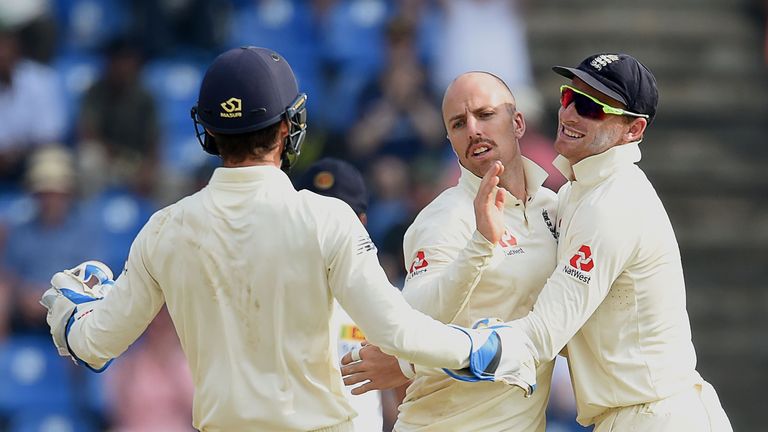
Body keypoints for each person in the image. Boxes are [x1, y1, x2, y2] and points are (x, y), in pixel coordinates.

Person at [37, 46, 523, 431]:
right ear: (289, 127)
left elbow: (93, 345)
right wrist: (485, 350)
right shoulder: (327, 218)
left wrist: (74, 307)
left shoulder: (164, 228)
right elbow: (400, 335)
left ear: (207, 133)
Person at [345, 54, 734, 432]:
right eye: (569, 98)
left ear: (518, 123)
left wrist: (412, 361)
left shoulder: (594, 205)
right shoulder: (462, 215)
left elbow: (543, 334)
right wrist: (413, 348)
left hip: (653, 415)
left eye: (591, 107)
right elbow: (411, 321)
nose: (570, 114)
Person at [342, 71, 560, 431]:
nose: (473, 129)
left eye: (485, 114)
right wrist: (480, 244)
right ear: (450, 139)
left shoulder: (552, 209)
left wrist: (405, 365)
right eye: (459, 123)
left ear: (518, 122)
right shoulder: (443, 218)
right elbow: (412, 321)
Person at [297, 157, 403, 432]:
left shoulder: (383, 299)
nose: (325, 229)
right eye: (314, 218)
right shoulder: (270, 293)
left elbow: (402, 393)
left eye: (338, 217)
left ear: (361, 222)